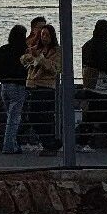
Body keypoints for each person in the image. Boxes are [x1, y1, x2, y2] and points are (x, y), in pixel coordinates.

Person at [21, 21, 61, 153]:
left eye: (47, 35)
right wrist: (31, 57)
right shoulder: (35, 48)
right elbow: (24, 60)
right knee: (33, 116)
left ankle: (49, 144)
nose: (44, 37)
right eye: (43, 34)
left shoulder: (57, 51)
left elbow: (55, 69)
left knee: (44, 117)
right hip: (33, 85)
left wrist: (40, 59)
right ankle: (48, 142)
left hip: (46, 87)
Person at [0, 24, 28, 155]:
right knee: (14, 118)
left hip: (4, 86)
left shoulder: (4, 49)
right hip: (18, 86)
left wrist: (2, 71)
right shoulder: (23, 50)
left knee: (10, 116)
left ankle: (14, 144)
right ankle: (9, 146)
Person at [80, 18, 107, 149]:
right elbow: (103, 64)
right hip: (99, 84)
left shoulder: (88, 44)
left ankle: (84, 141)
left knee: (93, 113)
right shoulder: (100, 45)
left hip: (88, 81)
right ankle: (84, 141)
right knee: (98, 113)